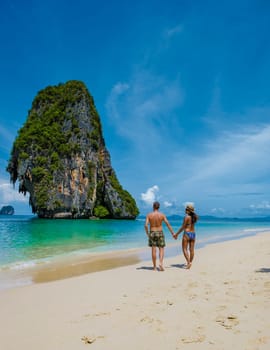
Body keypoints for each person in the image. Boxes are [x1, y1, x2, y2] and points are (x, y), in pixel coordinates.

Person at [144, 201, 175, 271]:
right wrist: (173, 233)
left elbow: (145, 225)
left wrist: (147, 233)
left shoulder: (149, 215)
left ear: (153, 206)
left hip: (152, 232)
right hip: (160, 232)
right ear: (159, 207)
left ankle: (154, 267)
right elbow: (168, 224)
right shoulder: (162, 215)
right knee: (161, 248)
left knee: (153, 250)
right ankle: (160, 263)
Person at [174, 204, 198, 269]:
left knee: (184, 249)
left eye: (186, 209)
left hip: (187, 233)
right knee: (191, 249)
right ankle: (190, 262)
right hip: (193, 233)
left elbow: (183, 227)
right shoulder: (195, 217)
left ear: (188, 210)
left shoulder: (186, 217)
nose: (185, 210)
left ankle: (188, 262)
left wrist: (176, 234)